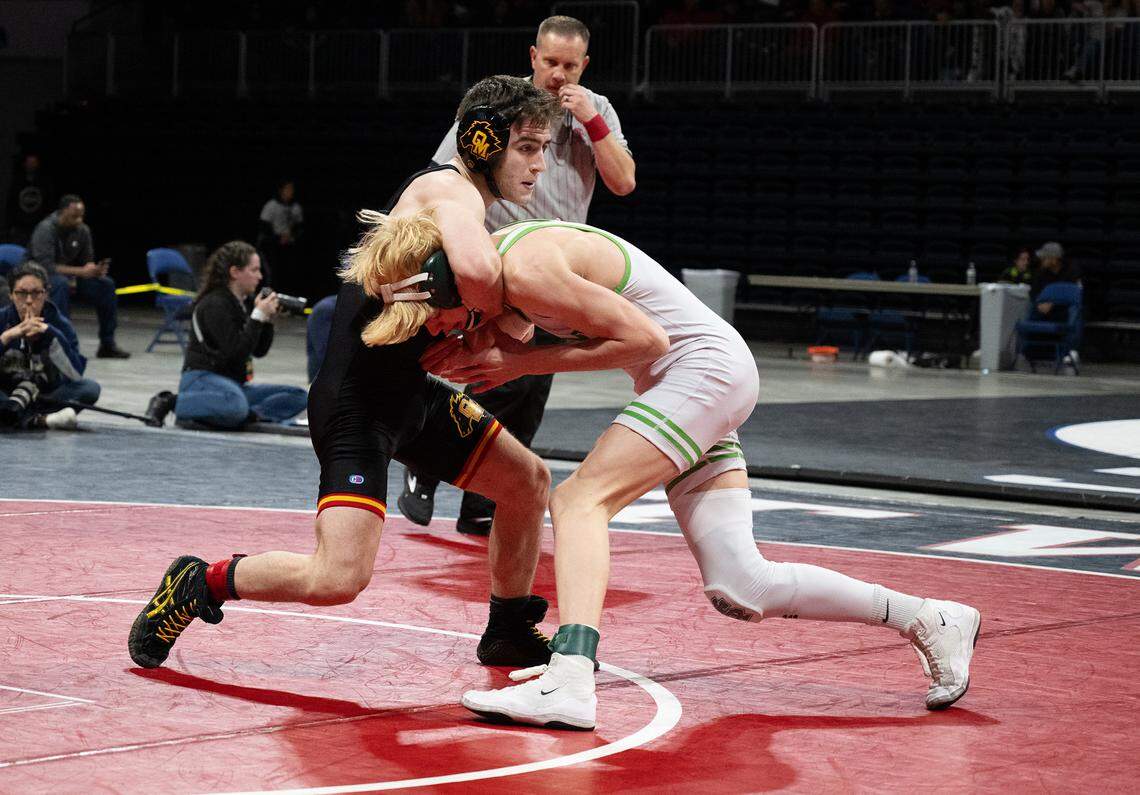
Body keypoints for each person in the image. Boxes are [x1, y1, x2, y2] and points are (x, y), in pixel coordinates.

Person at [360, 215, 983, 729]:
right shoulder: (502, 277)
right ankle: (930, 617)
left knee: (579, 501)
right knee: (743, 584)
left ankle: (572, 677)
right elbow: (532, 334)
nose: (433, 331)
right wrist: (500, 350)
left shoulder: (524, 266)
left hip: (697, 369)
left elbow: (647, 340)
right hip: (696, 376)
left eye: (432, 318)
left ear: (448, 285)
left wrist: (521, 363)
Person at [127, 75, 563, 678]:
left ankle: (509, 628)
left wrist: (493, 315)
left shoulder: (469, 204)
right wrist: (503, 307)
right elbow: (483, 276)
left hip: (412, 396)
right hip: (357, 405)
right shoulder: (447, 189)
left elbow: (494, 307)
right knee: (338, 578)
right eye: (529, 146)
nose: (542, 165)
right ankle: (201, 581)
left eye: (545, 149)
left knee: (528, 482)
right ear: (483, 140)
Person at [400, 14, 637, 536]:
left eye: (569, 65)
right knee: (490, 373)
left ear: (585, 65)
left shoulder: (596, 111)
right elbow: (447, 172)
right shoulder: (502, 107)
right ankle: (426, 461)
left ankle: (481, 501)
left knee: (529, 383)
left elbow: (623, 182)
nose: (558, 74)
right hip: (499, 261)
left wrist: (593, 122)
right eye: (550, 62)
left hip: (559, 270)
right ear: (533, 56)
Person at [173, 241, 309, 429]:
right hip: (202, 379)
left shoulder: (243, 303)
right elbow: (235, 353)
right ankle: (178, 403)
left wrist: (267, 320)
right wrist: (257, 317)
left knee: (299, 396)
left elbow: (259, 351)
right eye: (254, 270)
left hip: (233, 385)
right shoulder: (214, 304)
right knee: (235, 404)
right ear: (235, 272)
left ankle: (247, 414)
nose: (259, 276)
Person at [0, 261, 100, 430]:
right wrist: (6, 337)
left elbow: (75, 374)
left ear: (45, 294)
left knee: (89, 388)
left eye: (36, 293)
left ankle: (17, 417)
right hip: (6, 393)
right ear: (11, 295)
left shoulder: (60, 325)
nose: (29, 301)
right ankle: (39, 420)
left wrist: (51, 335)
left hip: (44, 395)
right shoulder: (2, 320)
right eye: (22, 293)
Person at [26, 195, 130, 358]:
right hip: (39, 278)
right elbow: (46, 267)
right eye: (74, 216)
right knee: (60, 284)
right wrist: (80, 273)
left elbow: (86, 261)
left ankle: (107, 344)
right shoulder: (45, 229)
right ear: (62, 212)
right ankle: (62, 341)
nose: (79, 219)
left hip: (69, 277)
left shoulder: (82, 230)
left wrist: (94, 269)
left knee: (106, 285)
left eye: (81, 215)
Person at [256, 178, 304, 289]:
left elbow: (299, 227)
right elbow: (264, 228)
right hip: (271, 246)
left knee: (288, 272)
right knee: (271, 274)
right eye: (288, 189)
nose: (291, 191)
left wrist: (292, 236)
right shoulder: (271, 206)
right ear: (281, 190)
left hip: (288, 245)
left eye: (292, 189)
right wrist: (277, 238)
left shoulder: (296, 208)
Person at [5, 153, 55, 246]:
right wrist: (10, 225)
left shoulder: (44, 184)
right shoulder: (17, 183)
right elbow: (11, 205)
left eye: (33, 163)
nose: (31, 165)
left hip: (38, 226)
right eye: (29, 163)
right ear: (25, 164)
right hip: (20, 227)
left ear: (38, 164)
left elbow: (49, 205)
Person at [1031, 241, 1081, 319]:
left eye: (1044, 258)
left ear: (1054, 259)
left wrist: (1052, 303)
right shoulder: (1041, 272)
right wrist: (1039, 303)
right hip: (1043, 308)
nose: (1041, 260)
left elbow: (1070, 294)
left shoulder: (1071, 271)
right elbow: (1034, 291)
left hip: (1063, 308)